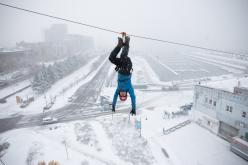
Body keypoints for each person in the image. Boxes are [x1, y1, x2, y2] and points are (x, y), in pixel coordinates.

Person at [109, 34, 136, 115]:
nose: (123, 93)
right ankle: (127, 42)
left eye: (122, 95)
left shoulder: (118, 89)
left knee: (111, 58)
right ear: (126, 94)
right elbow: (133, 98)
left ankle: (119, 45)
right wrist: (133, 109)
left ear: (120, 94)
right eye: (124, 95)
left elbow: (114, 98)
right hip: (127, 67)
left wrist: (113, 106)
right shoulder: (129, 89)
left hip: (121, 67)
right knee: (123, 56)